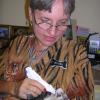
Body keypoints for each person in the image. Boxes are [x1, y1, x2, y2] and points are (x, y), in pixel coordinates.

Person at [0, 0, 94, 99]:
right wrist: (13, 88)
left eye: (62, 22)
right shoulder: (17, 44)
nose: (53, 32)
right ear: (31, 14)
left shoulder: (76, 55)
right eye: (45, 21)